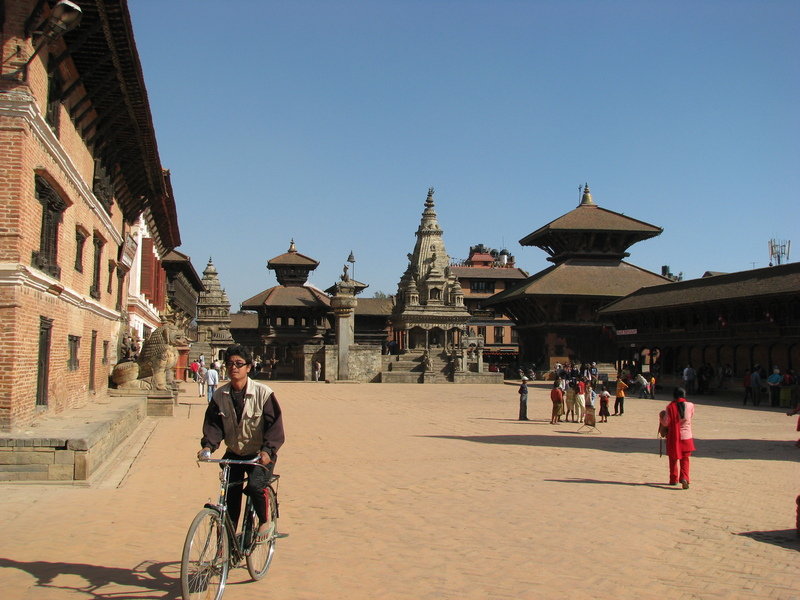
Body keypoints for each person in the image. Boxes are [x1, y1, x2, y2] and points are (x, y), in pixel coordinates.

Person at [198, 344, 285, 539]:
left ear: (248, 367)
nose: (234, 367)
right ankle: (227, 543)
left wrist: (267, 450)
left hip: (259, 455)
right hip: (234, 453)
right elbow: (213, 425)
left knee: (255, 486)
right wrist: (208, 447)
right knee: (230, 496)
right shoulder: (220, 395)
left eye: (239, 363)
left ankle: (264, 520)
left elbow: (275, 426)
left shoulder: (264, 393)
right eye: (230, 364)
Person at [659, 387, 696, 489]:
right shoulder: (690, 405)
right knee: (685, 459)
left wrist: (661, 417)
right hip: (687, 436)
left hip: (674, 437)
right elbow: (690, 416)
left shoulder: (670, 407)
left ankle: (673, 479)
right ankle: (684, 478)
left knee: (673, 458)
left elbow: (666, 422)